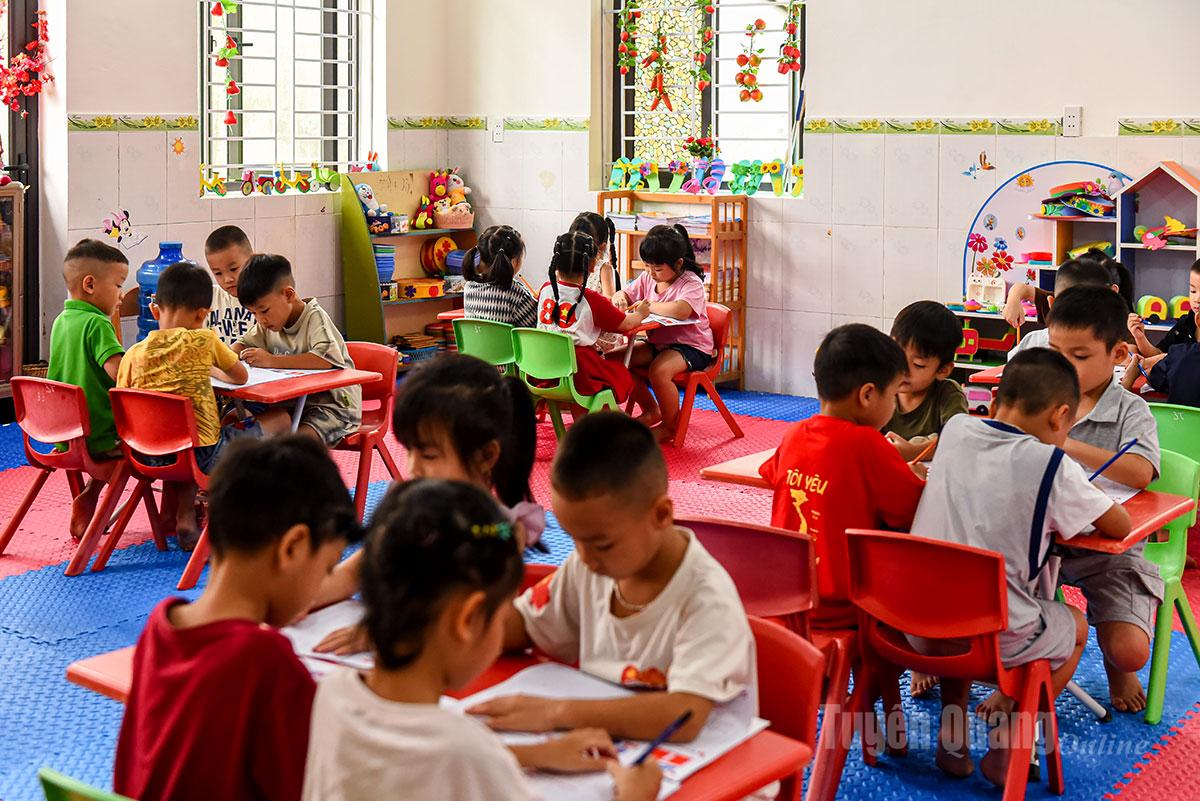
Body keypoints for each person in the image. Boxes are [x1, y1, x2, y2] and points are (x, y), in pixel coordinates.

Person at [301, 479, 662, 801]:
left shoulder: (334, 693)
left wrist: (534, 754)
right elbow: (455, 760)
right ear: (469, 619)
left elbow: (418, 762)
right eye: (503, 612)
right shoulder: (465, 752)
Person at [910, 348, 1130, 785]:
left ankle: (951, 743)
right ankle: (1008, 746)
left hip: (913, 626)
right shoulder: (1052, 463)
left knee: (962, 589)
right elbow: (1118, 523)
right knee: (1075, 628)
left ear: (994, 403)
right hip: (992, 639)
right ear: (1061, 416)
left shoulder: (955, 430)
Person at [469, 412, 756, 745]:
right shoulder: (591, 566)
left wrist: (556, 713)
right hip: (617, 749)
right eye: (573, 538)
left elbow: (685, 715)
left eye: (601, 543)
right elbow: (524, 626)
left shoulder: (706, 598)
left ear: (661, 515)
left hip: (710, 768)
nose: (585, 557)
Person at [113, 436, 362, 801]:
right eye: (326, 568)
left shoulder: (163, 623)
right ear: (292, 547)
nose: (319, 587)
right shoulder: (263, 658)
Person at [312, 353, 541, 654]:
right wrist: (294, 599)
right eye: (409, 451)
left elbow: (479, 623)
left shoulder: (497, 531)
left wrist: (391, 633)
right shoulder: (413, 509)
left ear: (486, 456)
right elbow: (355, 572)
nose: (413, 467)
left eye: (429, 455)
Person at [760, 324, 926, 628]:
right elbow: (912, 511)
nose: (893, 405)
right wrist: (911, 474)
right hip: (846, 606)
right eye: (892, 395)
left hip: (783, 596)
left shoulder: (795, 433)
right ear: (867, 395)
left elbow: (771, 474)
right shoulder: (868, 444)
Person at [1045, 285, 1162, 713]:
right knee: (988, 602)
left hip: (1111, 549)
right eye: (1057, 352)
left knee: (1129, 650)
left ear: (1117, 354)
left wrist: (1068, 443)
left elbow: (1141, 471)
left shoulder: (1132, 409)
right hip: (1041, 544)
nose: (1063, 366)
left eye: (1079, 356)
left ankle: (1117, 667)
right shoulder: (1042, 396)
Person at [116, 262, 288, 548]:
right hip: (204, 458)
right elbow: (241, 375)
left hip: (146, 456)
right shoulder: (204, 340)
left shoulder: (132, 354)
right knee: (280, 418)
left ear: (155, 310)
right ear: (202, 315)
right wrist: (212, 370)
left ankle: (185, 515)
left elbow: (124, 398)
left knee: (180, 437)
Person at [47, 238, 128, 539]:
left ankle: (91, 494)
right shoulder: (98, 325)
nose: (121, 296)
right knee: (157, 445)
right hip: (100, 437)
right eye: (119, 285)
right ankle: (176, 514)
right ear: (90, 285)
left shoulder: (61, 321)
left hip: (63, 436)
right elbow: (121, 375)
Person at [234, 254, 361, 445]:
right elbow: (242, 343)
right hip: (292, 404)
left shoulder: (315, 318)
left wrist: (271, 361)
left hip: (333, 406)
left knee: (296, 447)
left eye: (264, 310)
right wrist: (226, 358)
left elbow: (325, 359)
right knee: (242, 421)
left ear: (288, 295)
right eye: (253, 313)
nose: (260, 320)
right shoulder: (267, 324)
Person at [613, 224, 714, 442]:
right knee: (614, 361)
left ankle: (670, 427)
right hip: (659, 344)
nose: (651, 273)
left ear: (678, 263)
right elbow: (627, 294)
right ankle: (651, 410)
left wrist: (647, 306)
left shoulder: (691, 282)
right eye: (647, 266)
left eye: (657, 269)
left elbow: (681, 310)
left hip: (692, 347)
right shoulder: (649, 277)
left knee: (659, 372)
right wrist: (620, 297)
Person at [536, 230, 651, 406]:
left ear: (556, 264)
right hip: (580, 372)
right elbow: (627, 324)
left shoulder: (544, 289)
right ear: (592, 265)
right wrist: (642, 313)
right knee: (621, 373)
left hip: (542, 368)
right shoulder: (592, 299)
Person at [884, 300, 969, 462]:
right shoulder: (882, 389)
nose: (902, 369)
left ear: (942, 370)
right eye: (896, 354)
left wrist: (914, 452)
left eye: (918, 365)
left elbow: (960, 441)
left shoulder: (947, 394)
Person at [1006, 258, 1125, 359]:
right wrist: (1013, 300)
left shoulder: (1034, 340)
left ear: (1051, 303)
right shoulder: (1108, 337)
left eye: (1080, 356)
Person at [461, 225, 538, 328]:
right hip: (507, 345)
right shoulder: (516, 294)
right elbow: (538, 329)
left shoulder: (469, 287)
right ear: (514, 261)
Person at [570, 211, 625, 353]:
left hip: (596, 334)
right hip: (577, 329)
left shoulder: (603, 268)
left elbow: (609, 301)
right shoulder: (568, 264)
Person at [1128, 258, 1200, 357]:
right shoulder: (1186, 322)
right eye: (1193, 291)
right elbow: (1158, 354)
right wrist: (1140, 337)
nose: (1197, 299)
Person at [203, 225, 256, 345]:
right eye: (218, 273)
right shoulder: (207, 298)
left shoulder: (269, 297)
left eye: (233, 269)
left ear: (252, 260)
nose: (227, 279)